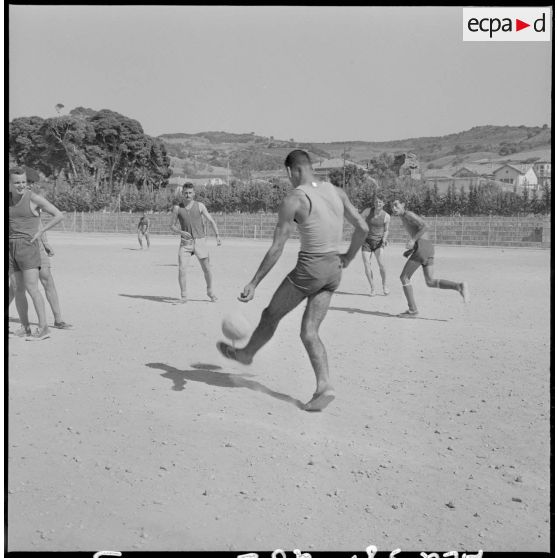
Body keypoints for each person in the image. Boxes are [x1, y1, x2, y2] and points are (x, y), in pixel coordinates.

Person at [217, 149, 368, 412]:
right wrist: (349, 258)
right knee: (310, 332)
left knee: (271, 314)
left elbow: (277, 247)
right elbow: (363, 228)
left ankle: (246, 354)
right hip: (334, 270)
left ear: (291, 171)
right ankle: (324, 386)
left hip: (309, 269)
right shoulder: (336, 191)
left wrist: (254, 283)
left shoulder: (295, 198)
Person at [8, 167, 64, 340]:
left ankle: (44, 327)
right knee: (17, 289)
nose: (21, 185)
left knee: (32, 288)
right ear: (9, 184)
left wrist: (41, 232)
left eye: (23, 182)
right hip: (10, 248)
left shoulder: (33, 198)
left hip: (28, 247)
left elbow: (58, 215)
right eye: (17, 182)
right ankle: (25, 328)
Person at [391, 199, 469, 317]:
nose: (394, 208)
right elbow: (420, 231)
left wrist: (413, 241)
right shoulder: (404, 217)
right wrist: (413, 248)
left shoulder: (408, 214)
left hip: (422, 247)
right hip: (427, 248)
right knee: (430, 282)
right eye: (392, 206)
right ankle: (458, 286)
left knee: (404, 277)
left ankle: (413, 310)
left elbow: (426, 226)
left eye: (396, 205)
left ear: (403, 205)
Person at [8, 229, 72, 330]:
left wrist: (45, 243)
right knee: (16, 286)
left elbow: (39, 223)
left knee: (47, 279)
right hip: (18, 247)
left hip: (37, 247)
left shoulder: (36, 213)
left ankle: (58, 320)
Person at [169, 183, 222, 303]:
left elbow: (211, 220)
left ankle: (210, 291)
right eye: (185, 193)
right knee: (182, 269)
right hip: (185, 243)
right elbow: (171, 226)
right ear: (182, 193)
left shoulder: (200, 206)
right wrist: (181, 232)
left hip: (200, 241)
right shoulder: (177, 208)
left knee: (207, 269)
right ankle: (183, 296)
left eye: (190, 193)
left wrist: (217, 236)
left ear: (194, 193)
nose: (187, 195)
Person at [360, 195, 390, 295]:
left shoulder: (386, 216)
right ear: (374, 203)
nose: (378, 204)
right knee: (366, 264)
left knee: (381, 265)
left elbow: (386, 230)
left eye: (380, 202)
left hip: (378, 242)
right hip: (366, 242)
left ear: (383, 204)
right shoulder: (368, 211)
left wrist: (384, 239)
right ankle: (372, 288)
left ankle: (384, 285)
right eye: (376, 202)